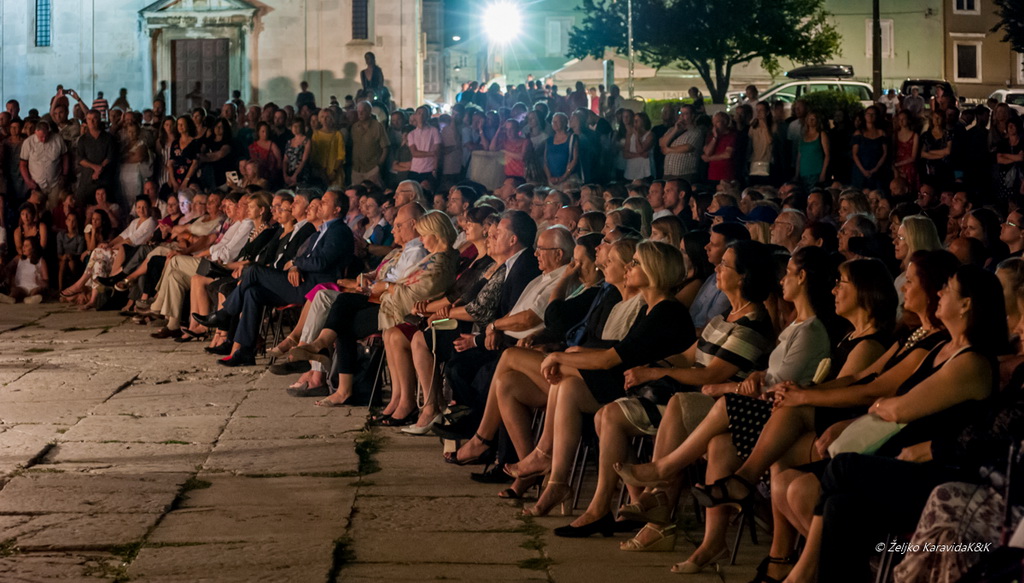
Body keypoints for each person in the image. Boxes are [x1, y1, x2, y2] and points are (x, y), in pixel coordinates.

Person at [784, 264, 1007, 583]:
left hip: (940, 471)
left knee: (842, 467)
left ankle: (802, 574)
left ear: (966, 304)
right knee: (839, 506)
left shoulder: (972, 362)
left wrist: (884, 406)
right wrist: (884, 406)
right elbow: (888, 399)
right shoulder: (942, 348)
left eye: (948, 288)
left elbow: (899, 408)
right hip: (907, 462)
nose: (939, 293)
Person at [516, 241, 695, 517]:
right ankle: (560, 482)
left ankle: (567, 478)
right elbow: (618, 354)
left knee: (571, 384)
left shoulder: (666, 312)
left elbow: (611, 359)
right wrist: (569, 356)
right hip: (633, 385)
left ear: (654, 270)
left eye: (636, 263)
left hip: (657, 394)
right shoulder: (651, 308)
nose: (629, 267)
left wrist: (560, 357)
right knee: (568, 386)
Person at [193, 189, 355, 366]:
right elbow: (302, 258)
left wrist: (296, 262)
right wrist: (295, 265)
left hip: (314, 286)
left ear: (337, 209)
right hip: (300, 280)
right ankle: (245, 351)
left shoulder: (339, 231)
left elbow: (321, 263)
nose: (320, 205)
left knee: (254, 271)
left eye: (325, 202)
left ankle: (225, 314)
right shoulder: (320, 232)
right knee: (253, 292)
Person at [19, 121, 68, 207]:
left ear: (49, 132)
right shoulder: (28, 142)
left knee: (54, 208)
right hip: (36, 184)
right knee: (36, 209)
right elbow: (23, 164)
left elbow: (65, 157)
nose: (44, 139)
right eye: (41, 137)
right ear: (35, 132)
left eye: (46, 136)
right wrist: (28, 181)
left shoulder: (57, 139)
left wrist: (64, 174)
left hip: (55, 183)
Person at [350, 101, 390, 186]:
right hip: (357, 169)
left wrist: (379, 166)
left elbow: (385, 148)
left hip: (372, 168)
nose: (360, 114)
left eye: (363, 111)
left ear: (369, 111)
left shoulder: (378, 126)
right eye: (358, 111)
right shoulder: (354, 127)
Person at [850, 105, 888, 189]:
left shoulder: (881, 133)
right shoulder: (858, 133)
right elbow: (854, 154)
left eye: (873, 114)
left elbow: (885, 153)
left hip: (877, 169)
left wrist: (876, 169)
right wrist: (863, 171)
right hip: (861, 169)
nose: (870, 116)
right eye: (868, 114)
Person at [0, 238, 47, 304]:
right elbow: (7, 269)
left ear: (33, 248)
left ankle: (30, 299)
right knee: (15, 291)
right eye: (23, 245)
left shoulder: (40, 261)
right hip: (21, 286)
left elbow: (46, 279)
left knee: (36, 291)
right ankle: (11, 298)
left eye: (26, 246)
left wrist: (41, 283)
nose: (23, 248)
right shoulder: (18, 258)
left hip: (34, 286)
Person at [795, 111, 830, 188]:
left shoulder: (821, 134)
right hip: (803, 172)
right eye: (809, 119)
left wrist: (823, 173)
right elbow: (799, 156)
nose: (810, 121)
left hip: (816, 172)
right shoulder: (803, 136)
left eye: (813, 119)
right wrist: (797, 174)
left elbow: (827, 155)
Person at [544, 113, 577, 187]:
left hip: (568, 180)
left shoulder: (572, 138)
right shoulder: (549, 140)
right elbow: (545, 161)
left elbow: (575, 159)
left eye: (557, 121)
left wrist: (564, 177)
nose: (554, 123)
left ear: (564, 123)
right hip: (552, 180)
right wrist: (549, 177)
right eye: (553, 121)